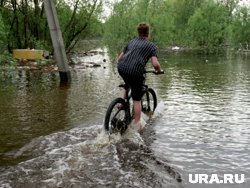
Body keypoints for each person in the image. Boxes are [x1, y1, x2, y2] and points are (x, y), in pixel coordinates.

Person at [117, 22, 162, 131]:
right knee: (137, 99)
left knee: (126, 84)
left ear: (138, 32)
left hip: (122, 67)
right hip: (136, 71)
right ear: (148, 33)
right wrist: (159, 71)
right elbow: (155, 64)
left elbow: (119, 59)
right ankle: (137, 125)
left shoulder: (131, 42)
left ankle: (120, 103)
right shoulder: (151, 46)